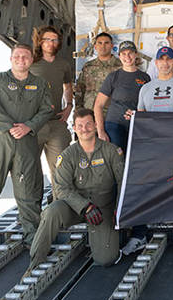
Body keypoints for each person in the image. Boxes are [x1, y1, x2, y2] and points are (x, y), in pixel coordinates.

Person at [0, 44, 54, 244]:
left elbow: (46, 109)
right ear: (10, 58)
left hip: (26, 141)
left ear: (31, 60)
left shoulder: (40, 84)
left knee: (29, 192)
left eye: (25, 56)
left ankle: (32, 238)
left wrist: (28, 126)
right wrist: (10, 127)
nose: (21, 59)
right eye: (17, 56)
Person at [122, 46, 173, 256]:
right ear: (155, 63)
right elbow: (142, 117)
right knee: (146, 188)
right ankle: (139, 234)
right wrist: (133, 117)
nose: (165, 63)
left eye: (169, 59)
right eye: (161, 59)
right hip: (153, 148)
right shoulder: (146, 88)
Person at [28, 108, 125, 269]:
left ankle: (107, 241)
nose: (84, 129)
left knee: (106, 259)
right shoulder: (67, 156)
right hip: (76, 207)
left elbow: (122, 181)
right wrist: (85, 207)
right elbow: (62, 189)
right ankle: (36, 260)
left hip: (103, 209)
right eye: (79, 126)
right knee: (52, 211)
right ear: (74, 128)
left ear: (95, 125)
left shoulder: (111, 151)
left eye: (88, 124)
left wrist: (119, 209)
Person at [30, 26, 74, 185]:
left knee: (61, 172)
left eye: (54, 40)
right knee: (30, 170)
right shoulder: (31, 63)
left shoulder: (63, 64)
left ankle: (59, 207)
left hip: (57, 123)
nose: (50, 43)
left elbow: (68, 87)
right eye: (47, 39)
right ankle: (32, 209)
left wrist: (69, 106)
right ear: (40, 42)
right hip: (34, 124)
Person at [93, 41, 150, 149]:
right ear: (119, 56)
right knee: (117, 159)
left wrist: (137, 114)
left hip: (136, 126)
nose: (127, 57)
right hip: (115, 124)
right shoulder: (113, 77)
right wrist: (100, 131)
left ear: (136, 54)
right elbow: (98, 105)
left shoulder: (145, 78)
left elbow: (149, 106)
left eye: (130, 53)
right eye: (123, 54)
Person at [73, 32, 122, 112]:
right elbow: (80, 89)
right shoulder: (88, 66)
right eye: (100, 43)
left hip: (112, 113)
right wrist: (78, 110)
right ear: (95, 46)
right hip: (90, 111)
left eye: (106, 43)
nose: (103, 46)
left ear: (112, 46)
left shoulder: (121, 66)